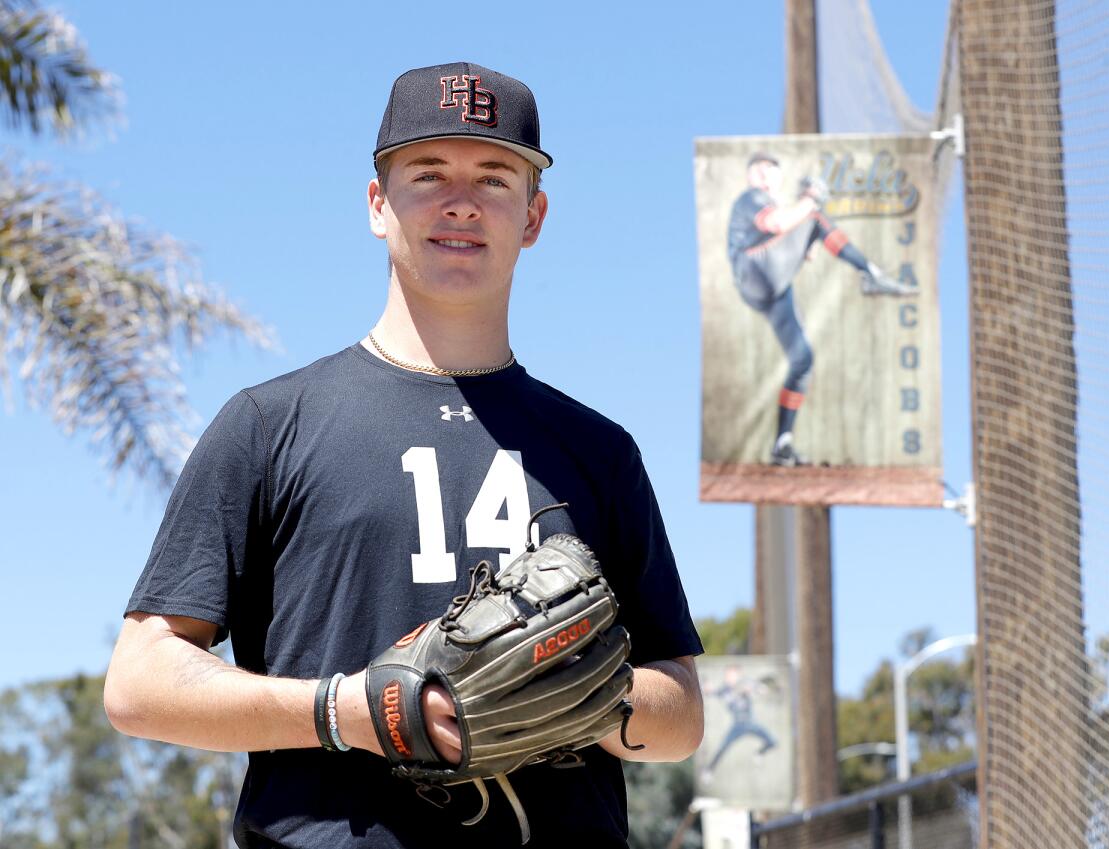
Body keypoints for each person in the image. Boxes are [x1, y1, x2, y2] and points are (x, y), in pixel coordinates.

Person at [104, 62, 704, 849]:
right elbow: (139, 682)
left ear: (534, 216)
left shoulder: (598, 450)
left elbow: (683, 714)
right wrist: (341, 709)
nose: (461, 200)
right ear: (377, 205)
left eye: (495, 177)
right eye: (428, 173)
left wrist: (580, 691)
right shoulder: (268, 424)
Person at [726, 153, 915, 466]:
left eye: (772, 173)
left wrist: (809, 214)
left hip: (772, 286)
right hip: (755, 271)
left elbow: (807, 250)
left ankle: (782, 443)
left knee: (802, 360)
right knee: (814, 216)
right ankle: (870, 272)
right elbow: (779, 222)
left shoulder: (769, 202)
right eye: (764, 171)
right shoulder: (751, 198)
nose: (769, 178)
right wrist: (810, 200)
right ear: (753, 175)